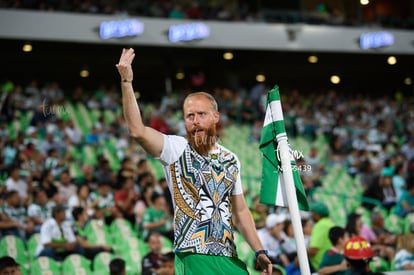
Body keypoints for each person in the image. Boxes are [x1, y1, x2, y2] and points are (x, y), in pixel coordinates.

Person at [116, 48, 272, 274]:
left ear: (215, 117)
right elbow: (137, 131)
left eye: (201, 114)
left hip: (229, 256)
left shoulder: (231, 159)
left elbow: (240, 212)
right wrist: (127, 81)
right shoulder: (176, 148)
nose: (195, 121)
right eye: (190, 116)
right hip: (193, 254)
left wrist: (259, 251)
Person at [307, 201, 335, 272]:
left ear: (317, 214)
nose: (311, 215)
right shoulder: (331, 223)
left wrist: (297, 260)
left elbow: (313, 250)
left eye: (312, 213)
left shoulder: (320, 225)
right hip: (330, 263)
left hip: (320, 266)